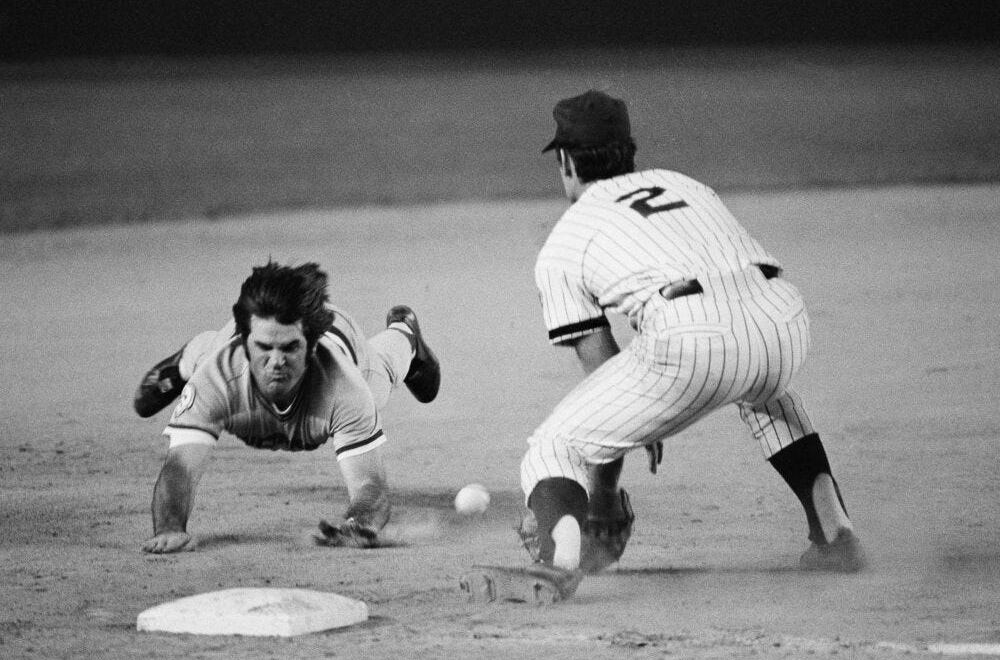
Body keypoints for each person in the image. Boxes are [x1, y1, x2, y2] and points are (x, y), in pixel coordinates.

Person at [463, 90, 863, 604]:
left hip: (692, 340)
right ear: (628, 149)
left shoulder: (564, 240)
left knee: (552, 446)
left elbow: (599, 368)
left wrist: (605, 493)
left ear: (564, 161)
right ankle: (836, 534)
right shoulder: (685, 184)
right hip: (783, 317)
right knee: (767, 393)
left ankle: (557, 563)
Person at [135, 260, 440, 554]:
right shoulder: (217, 376)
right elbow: (181, 467)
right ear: (244, 342)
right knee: (208, 357)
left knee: (382, 373)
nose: (277, 362)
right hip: (224, 358)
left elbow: (369, 484)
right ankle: (191, 354)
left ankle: (404, 333)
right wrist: (170, 527)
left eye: (291, 348)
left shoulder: (346, 384)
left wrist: (359, 523)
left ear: (311, 346)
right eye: (264, 348)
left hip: (349, 351)